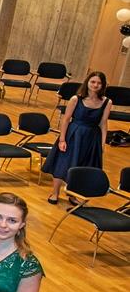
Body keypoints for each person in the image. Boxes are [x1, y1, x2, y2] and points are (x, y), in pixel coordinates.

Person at [42, 71, 112, 204]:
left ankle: (73, 195)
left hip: (92, 137)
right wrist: (62, 139)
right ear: (87, 82)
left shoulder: (107, 102)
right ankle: (55, 192)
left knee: (82, 166)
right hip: (74, 134)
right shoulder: (76, 99)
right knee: (63, 163)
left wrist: (102, 144)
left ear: (103, 85)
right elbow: (66, 119)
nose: (95, 85)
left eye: (99, 83)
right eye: (93, 82)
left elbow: (103, 123)